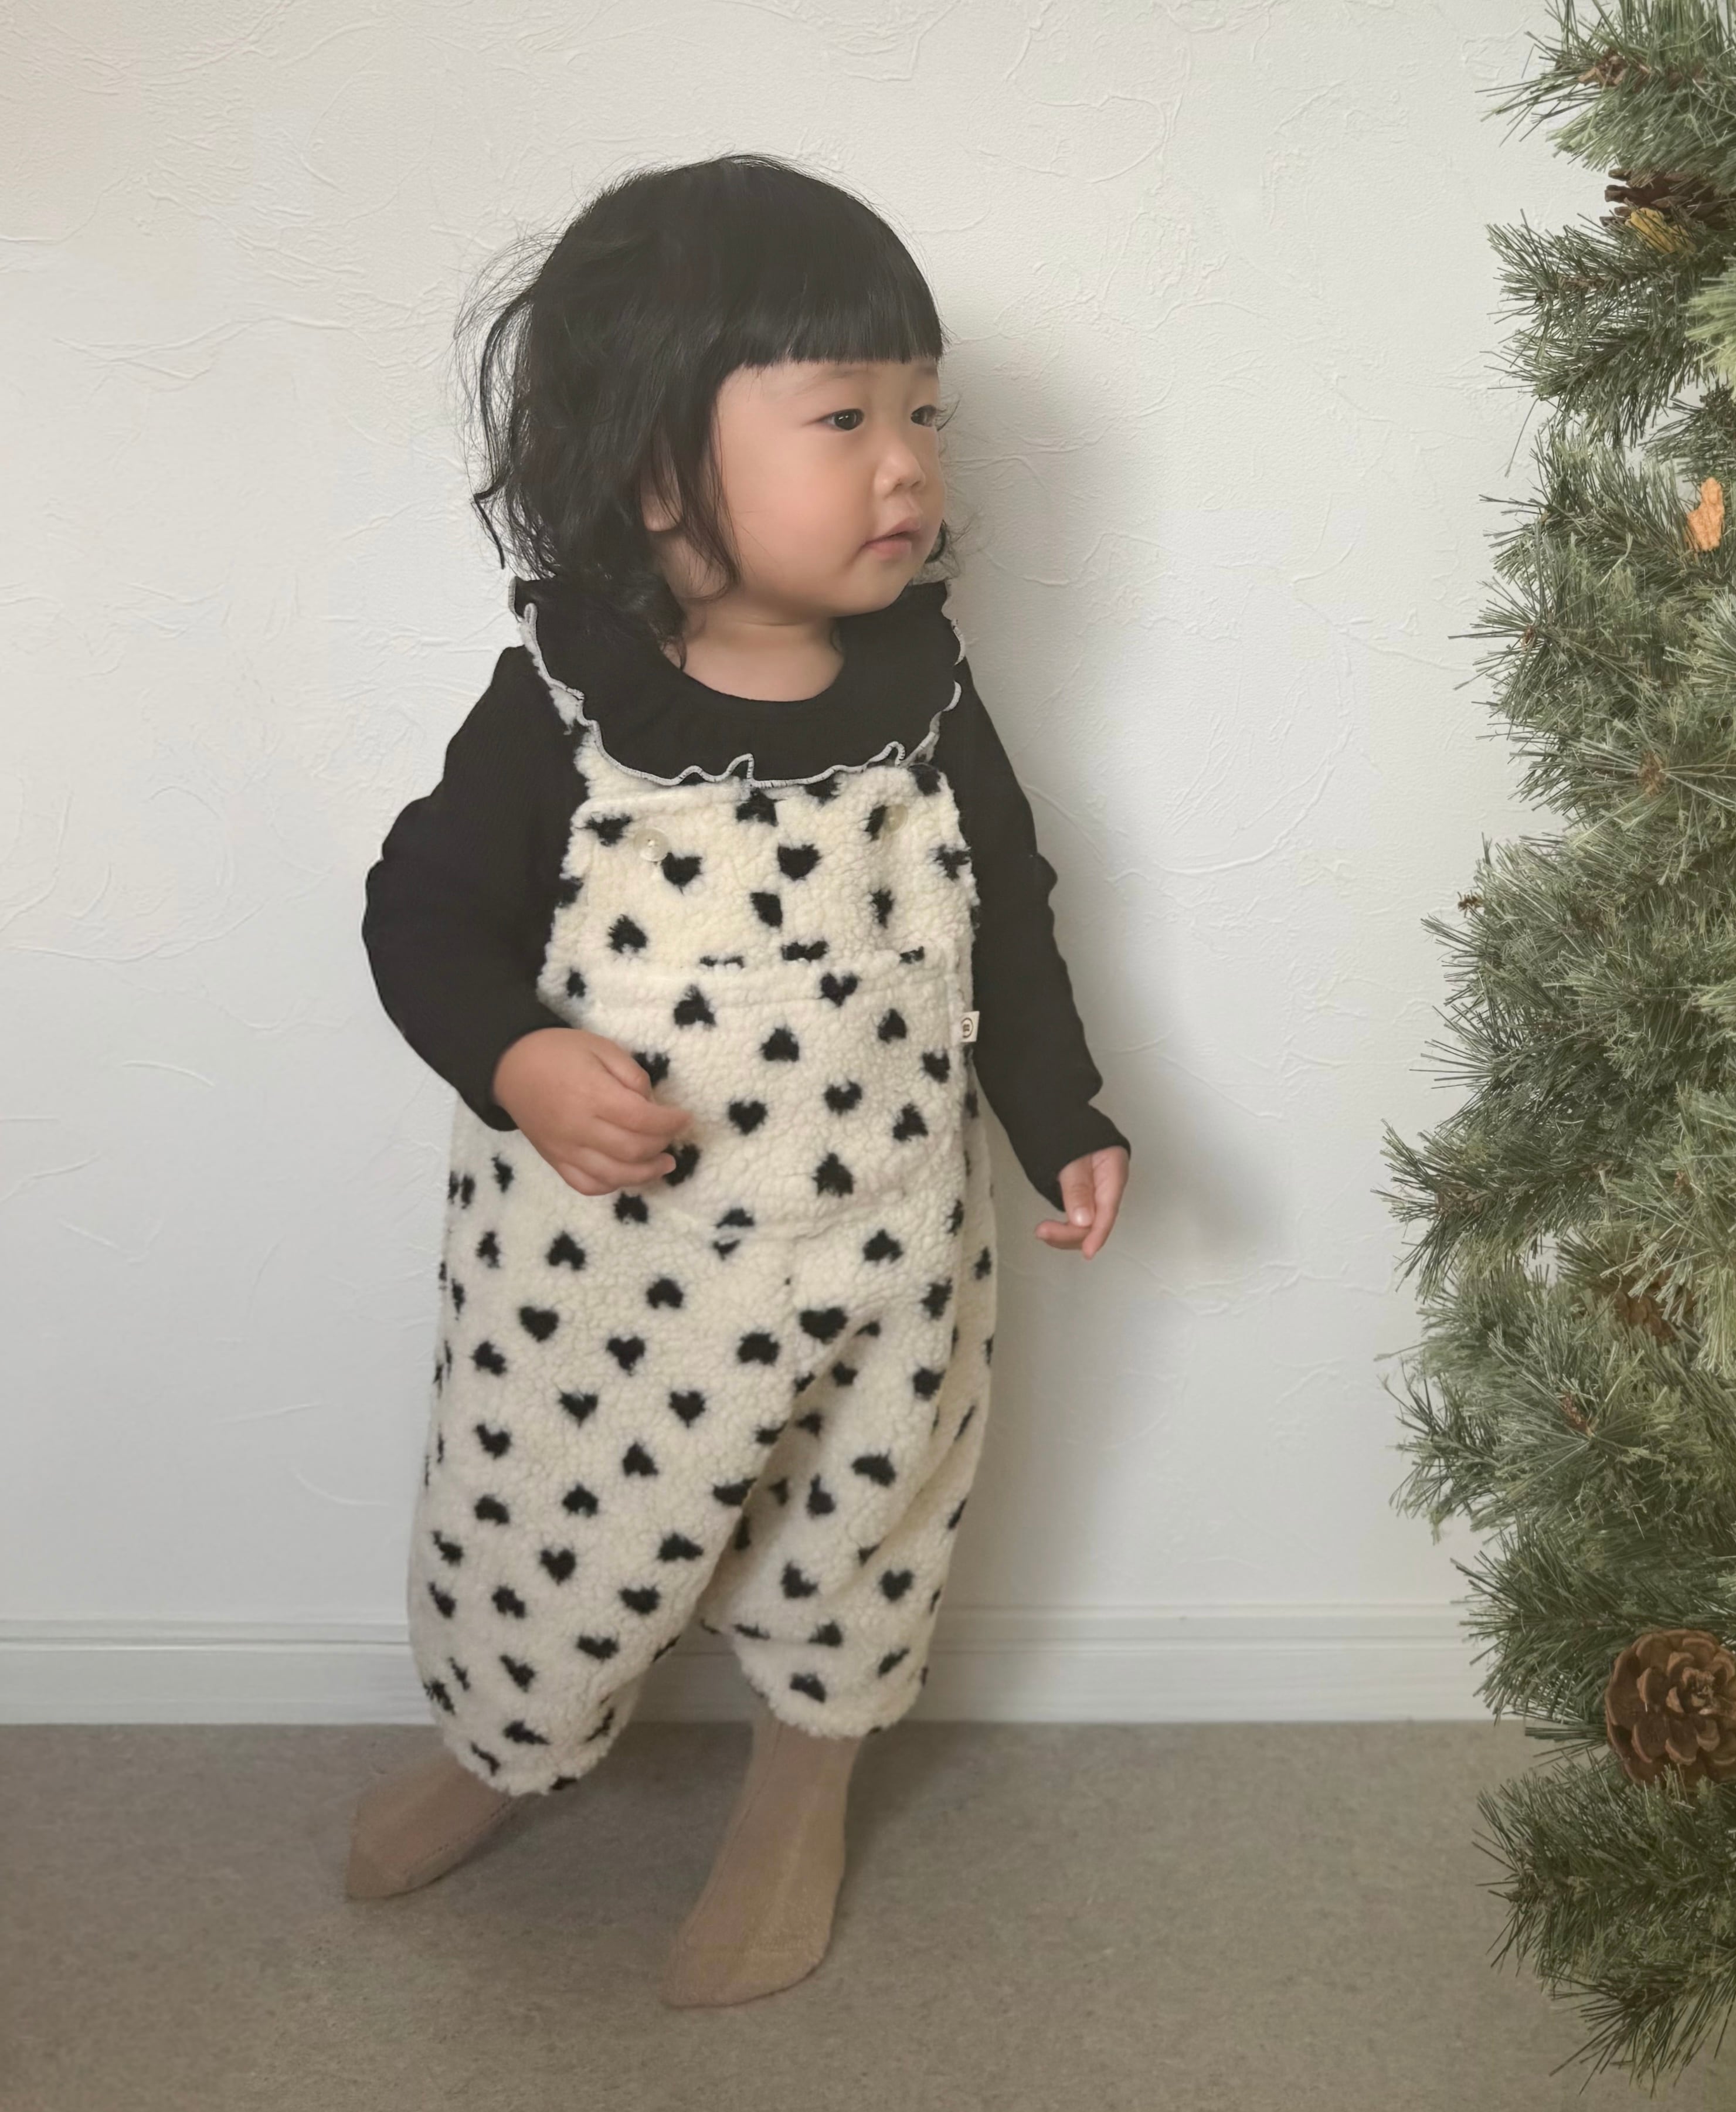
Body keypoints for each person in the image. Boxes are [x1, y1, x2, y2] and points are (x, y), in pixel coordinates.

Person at [349, 152, 1132, 2007]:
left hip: (886, 1241)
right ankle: (501, 1738)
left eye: (924, 412)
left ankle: (801, 1793)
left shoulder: (929, 698)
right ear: (652, 466)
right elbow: (419, 915)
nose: (907, 464)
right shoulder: (563, 705)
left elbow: (1002, 914)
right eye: (843, 417)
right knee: (544, 1528)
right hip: (606, 1279)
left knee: (864, 1528)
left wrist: (1064, 1113)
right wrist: (520, 1056)